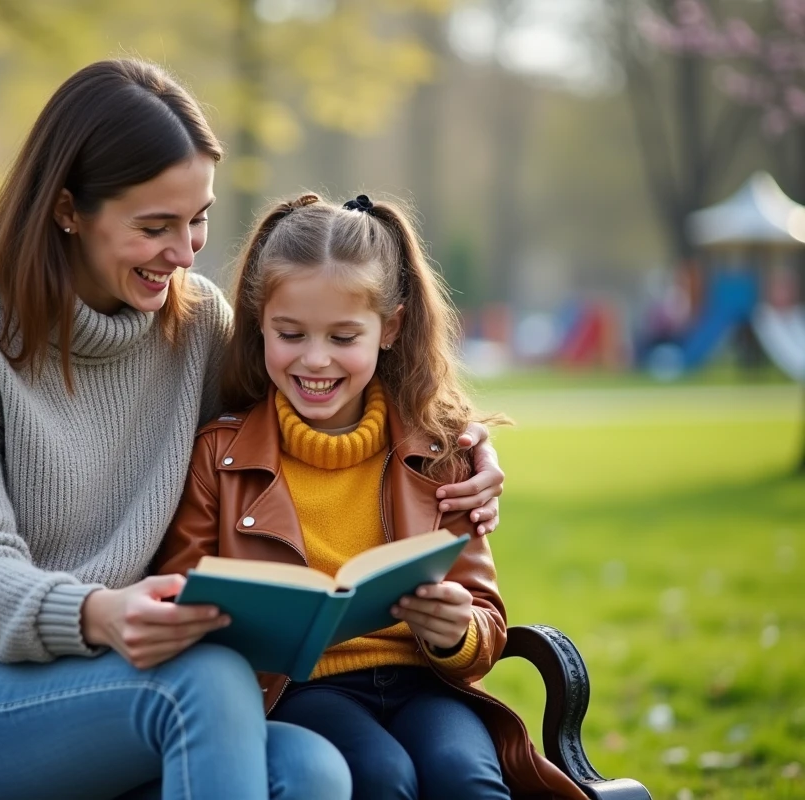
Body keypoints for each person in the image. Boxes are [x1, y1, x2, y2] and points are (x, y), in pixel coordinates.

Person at [0, 59, 505, 800]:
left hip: (134, 688)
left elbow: (314, 385)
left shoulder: (194, 320)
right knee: (205, 680)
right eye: (154, 226)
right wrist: (99, 613)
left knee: (314, 772)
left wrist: (463, 452)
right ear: (69, 209)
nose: (184, 252)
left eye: (198, 219)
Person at [154, 193, 587, 800]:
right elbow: (180, 600)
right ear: (259, 323)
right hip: (299, 691)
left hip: (426, 685)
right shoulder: (218, 458)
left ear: (391, 328)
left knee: (467, 778)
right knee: (382, 777)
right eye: (291, 333)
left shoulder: (439, 455)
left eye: (343, 336)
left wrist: (454, 631)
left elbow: (486, 626)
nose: (315, 359)